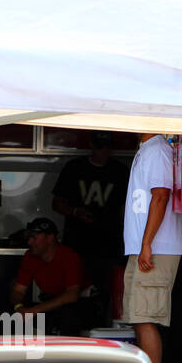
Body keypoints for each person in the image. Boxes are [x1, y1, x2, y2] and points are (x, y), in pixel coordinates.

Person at [122, 134, 182, 363]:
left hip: (156, 247)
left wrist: (147, 243)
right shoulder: (147, 149)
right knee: (138, 316)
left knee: (145, 317)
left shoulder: (158, 149)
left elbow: (161, 196)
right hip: (143, 247)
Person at [52, 131, 129, 322]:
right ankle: (72, 331)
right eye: (99, 147)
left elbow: (128, 209)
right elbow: (57, 203)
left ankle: (100, 331)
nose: (103, 152)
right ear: (91, 146)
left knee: (105, 297)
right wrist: (75, 212)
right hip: (76, 246)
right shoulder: (74, 168)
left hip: (108, 247)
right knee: (73, 295)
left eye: (107, 148)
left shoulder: (120, 171)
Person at [10, 217, 88, 336]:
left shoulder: (69, 256)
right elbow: (18, 291)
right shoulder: (30, 257)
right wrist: (19, 307)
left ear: (50, 238)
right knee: (12, 315)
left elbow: (72, 295)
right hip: (49, 302)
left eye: (34, 238)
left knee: (70, 314)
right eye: (29, 238)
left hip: (79, 304)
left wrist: (33, 311)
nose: (29, 242)